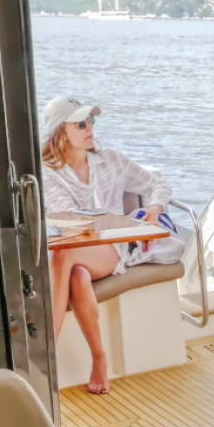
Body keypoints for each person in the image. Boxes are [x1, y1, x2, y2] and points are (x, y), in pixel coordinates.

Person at [40, 96, 175, 394]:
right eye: (80, 124)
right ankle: (99, 359)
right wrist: (116, 223)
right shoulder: (47, 173)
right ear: (61, 132)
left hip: (113, 248)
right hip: (79, 249)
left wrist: (153, 210)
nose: (90, 127)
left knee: (60, 255)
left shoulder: (112, 159)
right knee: (77, 275)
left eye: (90, 121)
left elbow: (158, 184)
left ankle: (45, 358)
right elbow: (73, 224)